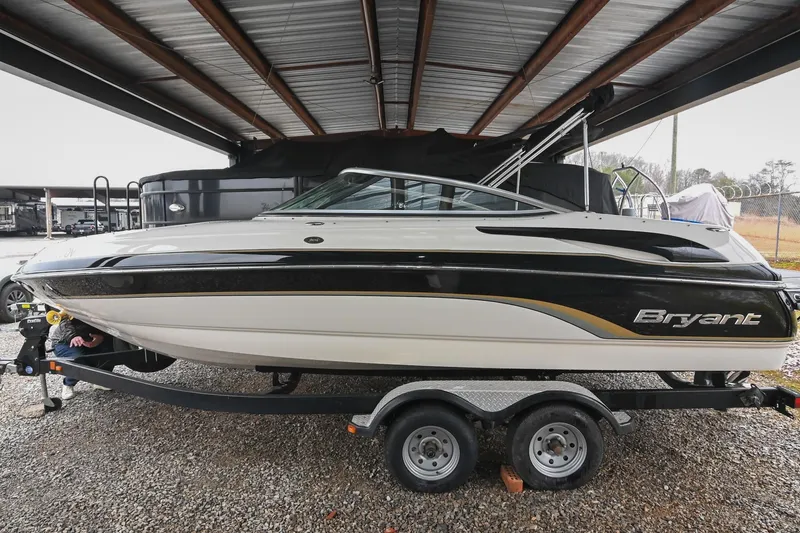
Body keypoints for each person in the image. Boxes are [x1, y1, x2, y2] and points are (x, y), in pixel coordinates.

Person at [49, 316, 114, 399]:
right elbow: (65, 323)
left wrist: (100, 338)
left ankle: (99, 381)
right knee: (78, 359)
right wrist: (73, 336)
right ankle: (68, 384)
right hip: (64, 342)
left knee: (111, 350)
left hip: (87, 341)